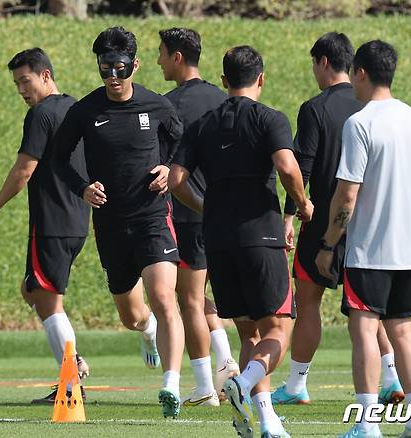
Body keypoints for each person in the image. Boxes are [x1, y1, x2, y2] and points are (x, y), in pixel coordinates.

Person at [170, 45, 313, 438]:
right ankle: (243, 380)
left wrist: (205, 206)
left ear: (223, 81)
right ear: (261, 79)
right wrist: (302, 203)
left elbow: (176, 179)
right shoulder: (270, 118)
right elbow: (287, 166)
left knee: (248, 333)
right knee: (279, 329)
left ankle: (267, 422)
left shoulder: (202, 124)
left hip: (216, 240)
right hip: (260, 236)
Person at [53, 26, 186, 419]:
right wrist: (82, 189)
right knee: (133, 316)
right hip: (111, 224)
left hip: (152, 217)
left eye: (120, 68)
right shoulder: (86, 111)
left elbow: (183, 142)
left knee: (164, 298)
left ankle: (171, 385)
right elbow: (59, 159)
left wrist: (169, 167)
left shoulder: (156, 104)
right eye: (105, 69)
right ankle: (148, 334)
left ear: (135, 66)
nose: (113, 77)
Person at [272, 32, 404, 406]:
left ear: (324, 62)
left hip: (325, 219)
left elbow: (303, 167)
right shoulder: (377, 108)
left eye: (314, 64)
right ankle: (392, 378)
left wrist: (289, 214)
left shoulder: (315, 108)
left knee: (309, 300)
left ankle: (297, 385)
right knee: (369, 307)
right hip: (371, 224)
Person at [315, 40, 411, 438]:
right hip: (407, 250)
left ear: (360, 73)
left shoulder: (361, 123)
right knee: (402, 332)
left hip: (369, 251)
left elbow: (347, 193)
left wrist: (329, 244)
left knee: (364, 330)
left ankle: (367, 423)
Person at [0, 48, 90, 404]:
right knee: (32, 291)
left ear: (45, 75)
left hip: (53, 220)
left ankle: (72, 381)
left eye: (25, 80)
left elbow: (25, 170)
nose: (21, 89)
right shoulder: (77, 108)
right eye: (16, 84)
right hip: (76, 220)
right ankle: (73, 366)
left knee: (47, 300)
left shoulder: (42, 114)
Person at [157, 27, 239, 407]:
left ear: (176, 57)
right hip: (222, 211)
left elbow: (164, 168)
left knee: (188, 300)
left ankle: (205, 386)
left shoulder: (167, 105)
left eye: (161, 53)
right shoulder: (223, 100)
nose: (158, 61)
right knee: (200, 296)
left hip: (188, 213)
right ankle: (225, 361)